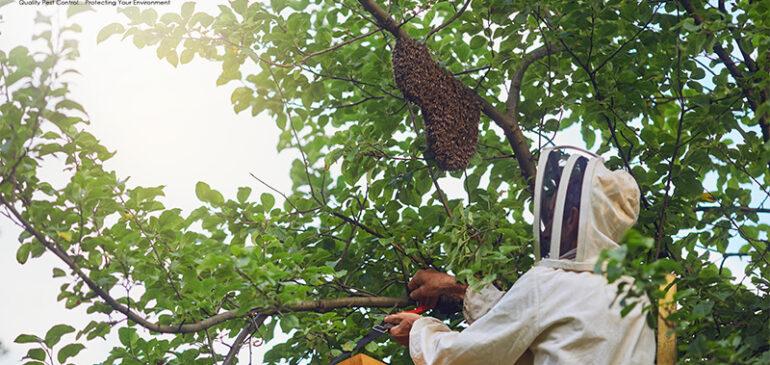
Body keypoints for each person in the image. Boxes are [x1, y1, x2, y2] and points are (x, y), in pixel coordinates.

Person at [384, 146, 655, 365]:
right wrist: (455, 287)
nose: (546, 231)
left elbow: (466, 355)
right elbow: (523, 321)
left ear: (573, 219)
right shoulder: (635, 297)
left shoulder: (550, 283)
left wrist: (420, 331)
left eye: (551, 217)